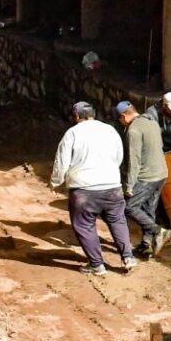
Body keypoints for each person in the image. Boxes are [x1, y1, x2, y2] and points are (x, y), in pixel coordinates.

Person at [50, 101, 136, 274]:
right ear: (93, 114)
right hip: (112, 186)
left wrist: (55, 181)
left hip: (84, 189)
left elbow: (62, 161)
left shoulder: (72, 133)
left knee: (84, 225)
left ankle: (97, 264)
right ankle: (128, 257)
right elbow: (119, 156)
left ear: (76, 116)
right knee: (117, 220)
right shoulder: (110, 130)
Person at [116, 101, 171, 259]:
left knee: (129, 207)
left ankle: (158, 231)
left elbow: (134, 161)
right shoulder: (151, 122)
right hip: (161, 173)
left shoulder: (133, 130)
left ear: (123, 116)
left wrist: (128, 186)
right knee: (149, 209)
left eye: (120, 120)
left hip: (147, 177)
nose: (121, 124)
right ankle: (147, 245)